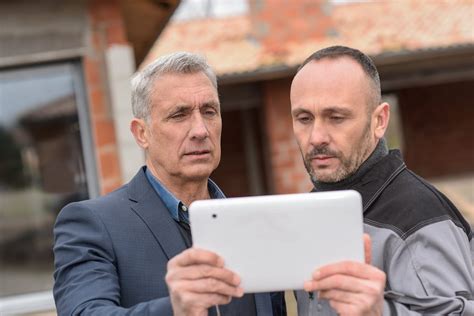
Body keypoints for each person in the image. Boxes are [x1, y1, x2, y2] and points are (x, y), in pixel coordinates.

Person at [53, 52, 278, 315]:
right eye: (179, 115)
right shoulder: (92, 224)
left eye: (209, 111)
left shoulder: (254, 225)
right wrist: (176, 309)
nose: (201, 130)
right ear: (142, 133)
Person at [290, 45, 473, 315]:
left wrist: (380, 312)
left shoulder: (418, 218)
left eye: (336, 117)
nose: (316, 137)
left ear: (379, 120)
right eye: (304, 118)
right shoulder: (314, 211)